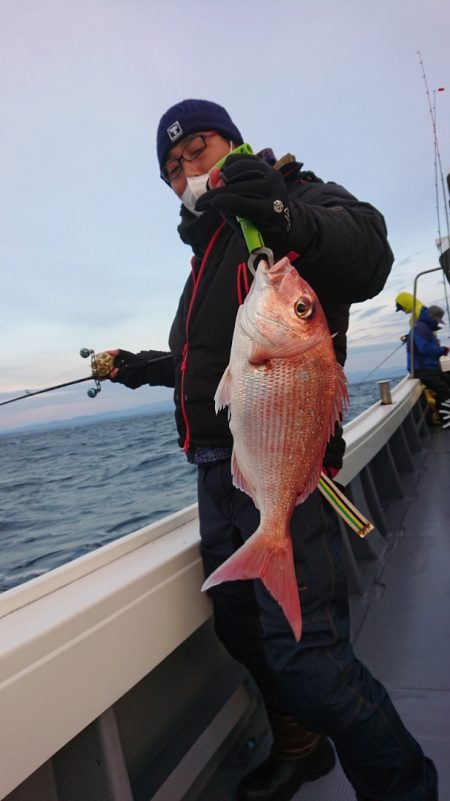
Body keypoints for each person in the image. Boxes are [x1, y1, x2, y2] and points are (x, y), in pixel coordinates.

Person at [107, 99, 438, 801]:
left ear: (233, 141)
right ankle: (302, 745)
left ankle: (407, 786)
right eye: (172, 167)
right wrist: (142, 363)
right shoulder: (205, 256)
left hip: (286, 471)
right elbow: (207, 363)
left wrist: (286, 217)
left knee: (311, 663)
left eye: (199, 149)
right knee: (243, 632)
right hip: (220, 477)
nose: (188, 171)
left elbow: (369, 253)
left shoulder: (285, 200)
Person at [406, 303, 450, 417]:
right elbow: (423, 348)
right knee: (444, 391)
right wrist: (441, 350)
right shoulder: (420, 328)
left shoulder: (424, 328)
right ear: (431, 317)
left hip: (430, 368)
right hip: (422, 369)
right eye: (437, 320)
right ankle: (444, 417)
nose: (437, 323)